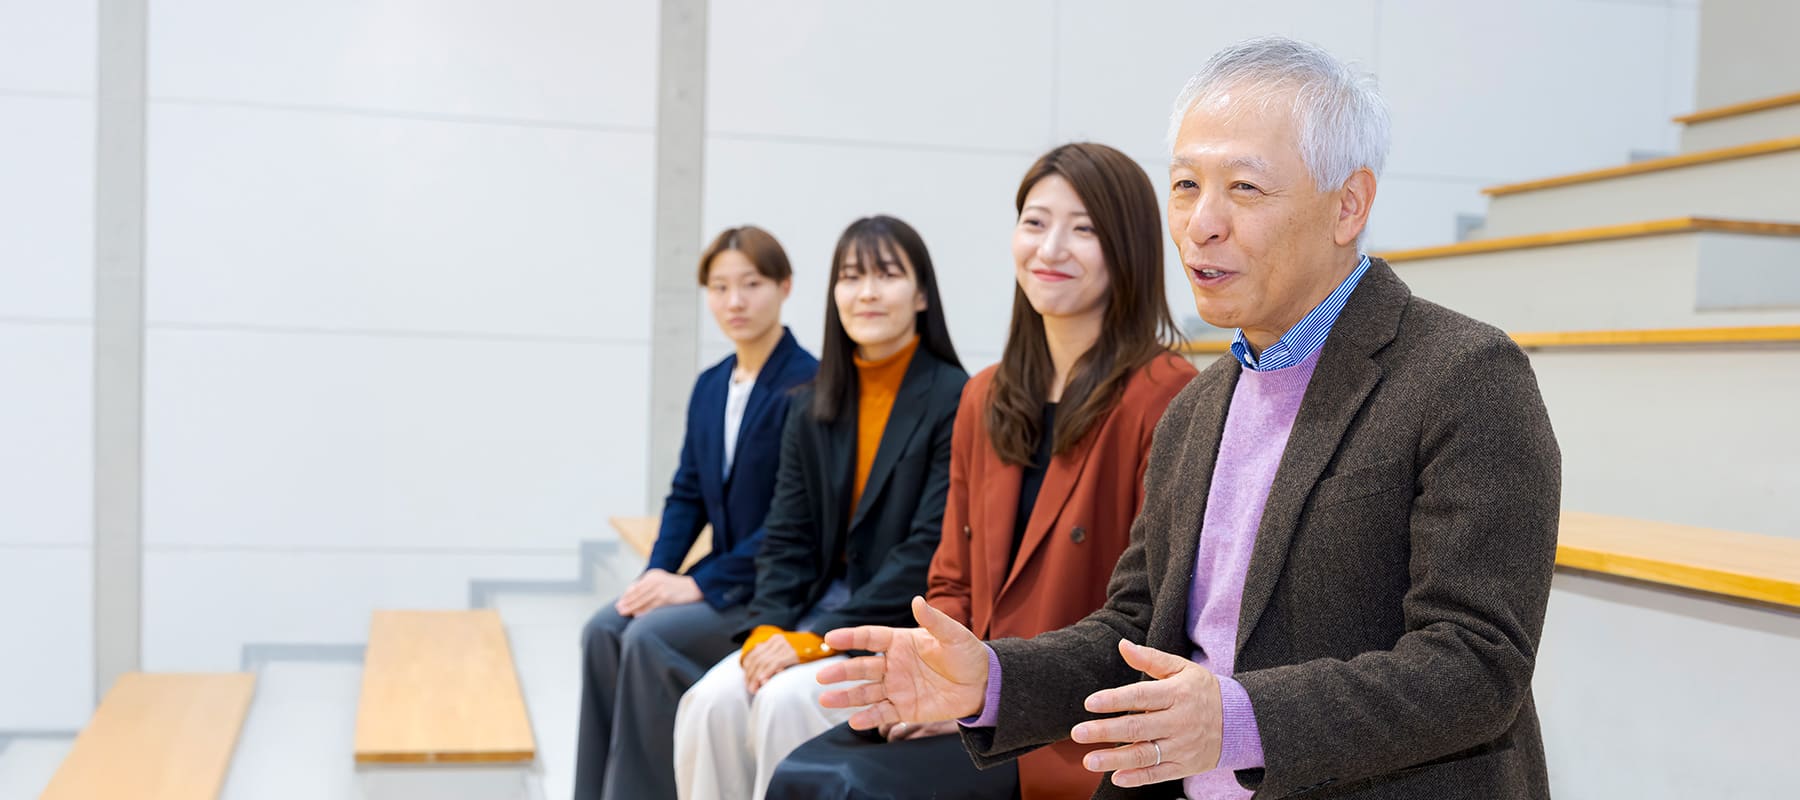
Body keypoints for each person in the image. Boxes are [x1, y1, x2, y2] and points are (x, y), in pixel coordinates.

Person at [818, 36, 1561, 799]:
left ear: (1349, 205)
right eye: (1184, 185)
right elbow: (1133, 630)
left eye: (1244, 188)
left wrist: (1241, 721)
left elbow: (1478, 661)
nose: (1201, 223)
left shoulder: (1464, 375)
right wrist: (992, 678)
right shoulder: (1196, 408)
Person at [767, 143, 1197, 800]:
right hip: (972, 698)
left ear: (1128, 247)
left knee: (850, 787)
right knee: (803, 774)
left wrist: (991, 694)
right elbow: (951, 580)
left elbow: (1149, 615)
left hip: (1076, 726)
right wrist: (950, 681)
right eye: (1034, 222)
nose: (1050, 248)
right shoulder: (986, 394)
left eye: (1083, 229)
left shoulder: (1166, 393)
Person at [673, 215, 969, 800]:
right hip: (807, 613)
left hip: (893, 623)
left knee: (782, 701)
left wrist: (821, 637)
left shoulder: (956, 398)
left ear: (921, 295)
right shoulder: (810, 404)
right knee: (709, 702)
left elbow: (925, 551)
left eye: (887, 275)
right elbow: (787, 536)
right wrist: (768, 627)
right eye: (851, 277)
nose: (866, 292)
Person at [574, 226, 818, 800]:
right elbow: (686, 494)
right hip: (722, 579)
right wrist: (657, 574)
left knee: (649, 639)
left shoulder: (810, 385)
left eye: (751, 284)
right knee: (604, 628)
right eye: (720, 287)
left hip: (772, 586)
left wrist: (697, 585)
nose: (735, 302)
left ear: (784, 286)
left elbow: (797, 520)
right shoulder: (711, 386)